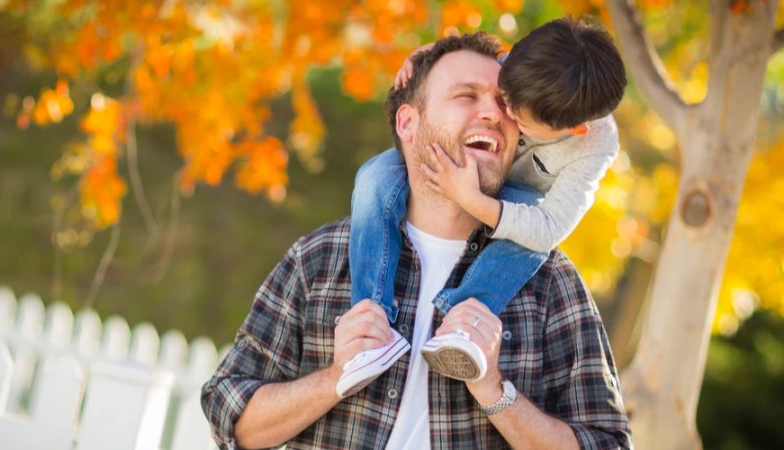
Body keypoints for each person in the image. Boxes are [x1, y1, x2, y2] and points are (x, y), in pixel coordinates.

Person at [202, 31, 631, 449]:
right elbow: (230, 418)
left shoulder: (552, 285)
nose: (496, 113)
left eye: (503, 103)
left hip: (523, 217)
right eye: (466, 96)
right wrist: (335, 378)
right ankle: (374, 311)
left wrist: (495, 391)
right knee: (370, 179)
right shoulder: (318, 259)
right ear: (408, 122)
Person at [342, 17, 627, 395]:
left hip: (516, 203)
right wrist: (422, 55)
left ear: (575, 130)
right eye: (505, 92)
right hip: (460, 164)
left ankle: (465, 322)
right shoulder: (524, 65)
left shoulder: (595, 144)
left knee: (530, 244)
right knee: (373, 177)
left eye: (515, 113)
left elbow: (549, 227)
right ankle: (371, 318)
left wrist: (472, 201)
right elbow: (464, 56)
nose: (498, 112)